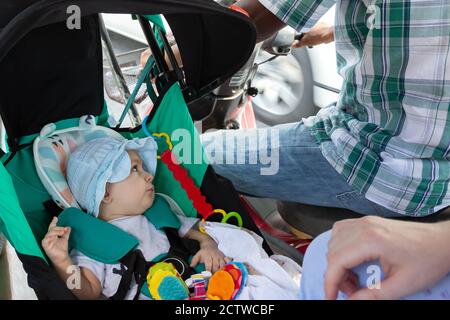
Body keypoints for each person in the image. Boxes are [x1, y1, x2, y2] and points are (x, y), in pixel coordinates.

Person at [201, 0, 450, 299]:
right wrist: (333, 31)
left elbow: (250, 18)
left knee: (191, 155)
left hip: (370, 160)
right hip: (440, 180)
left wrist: (173, 53)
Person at [41, 137, 229, 300]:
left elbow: (195, 232)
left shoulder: (157, 214)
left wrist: (207, 244)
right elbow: (88, 292)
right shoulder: (93, 240)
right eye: (134, 169)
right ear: (105, 193)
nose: (148, 176)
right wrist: (62, 262)